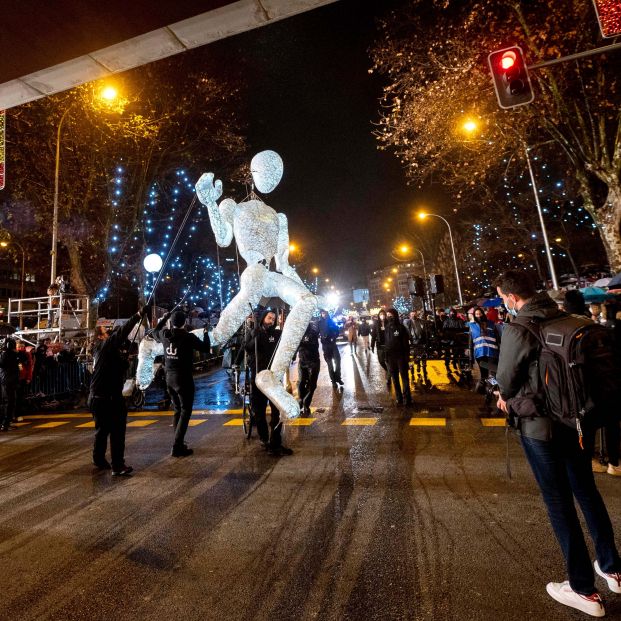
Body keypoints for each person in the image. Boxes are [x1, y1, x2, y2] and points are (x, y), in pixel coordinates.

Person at [494, 269, 621, 617]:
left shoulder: (519, 327)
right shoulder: (570, 318)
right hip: (578, 422)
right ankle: (612, 568)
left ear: (510, 297)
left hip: (541, 428)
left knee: (558, 502)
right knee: (586, 491)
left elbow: (506, 380)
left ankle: (582, 589)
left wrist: (502, 395)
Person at [89, 306, 148, 475]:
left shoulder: (103, 351)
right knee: (116, 431)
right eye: (106, 330)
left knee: (102, 431)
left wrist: (123, 362)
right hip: (108, 398)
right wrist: (137, 315)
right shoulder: (106, 346)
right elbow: (122, 331)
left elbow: (114, 369)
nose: (109, 332)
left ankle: (99, 459)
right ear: (100, 336)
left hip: (100, 396)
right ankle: (117, 465)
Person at [154, 309, 211, 457]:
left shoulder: (165, 335)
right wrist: (206, 333)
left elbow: (155, 330)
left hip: (169, 377)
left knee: (178, 409)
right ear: (184, 322)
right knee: (186, 410)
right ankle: (177, 445)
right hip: (183, 378)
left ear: (171, 323)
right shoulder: (188, 337)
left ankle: (178, 441)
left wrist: (164, 318)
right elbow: (205, 348)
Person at [245, 310, 292, 455]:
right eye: (269, 317)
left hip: (274, 378)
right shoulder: (253, 333)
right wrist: (255, 334)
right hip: (258, 378)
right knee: (259, 411)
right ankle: (264, 439)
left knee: (277, 411)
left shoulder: (277, 334)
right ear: (263, 317)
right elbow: (247, 348)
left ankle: (275, 442)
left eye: (273, 318)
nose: (271, 320)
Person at [468, 306, 500, 393]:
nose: (478, 316)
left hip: (492, 353)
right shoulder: (472, 326)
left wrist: (501, 352)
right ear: (474, 315)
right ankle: (484, 390)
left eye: (480, 313)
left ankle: (492, 389)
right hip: (480, 354)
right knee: (484, 374)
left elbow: (498, 339)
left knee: (493, 374)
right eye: (476, 314)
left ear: (483, 314)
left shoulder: (491, 324)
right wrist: (471, 358)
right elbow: (470, 344)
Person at [384, 308, 412, 406]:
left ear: (395, 315)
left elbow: (405, 344)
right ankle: (399, 397)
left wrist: (407, 357)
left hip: (400, 356)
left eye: (390, 315)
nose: (388, 317)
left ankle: (407, 398)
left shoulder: (401, 328)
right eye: (387, 315)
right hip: (391, 357)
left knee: (404, 377)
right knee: (394, 379)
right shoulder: (387, 328)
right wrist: (386, 356)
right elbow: (386, 342)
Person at [297, 321, 320, 415]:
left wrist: (302, 343)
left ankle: (306, 404)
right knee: (301, 383)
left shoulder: (313, 332)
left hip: (313, 362)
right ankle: (301, 400)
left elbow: (313, 344)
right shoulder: (298, 333)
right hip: (302, 361)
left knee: (312, 385)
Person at [318, 309, 343, 387]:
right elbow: (316, 333)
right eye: (322, 313)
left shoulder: (331, 321)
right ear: (321, 314)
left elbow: (337, 330)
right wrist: (322, 337)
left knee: (338, 360)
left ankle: (338, 378)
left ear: (327, 313)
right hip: (325, 346)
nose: (324, 314)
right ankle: (333, 381)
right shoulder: (319, 323)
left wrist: (334, 337)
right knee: (330, 364)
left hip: (333, 345)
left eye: (325, 313)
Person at [0, 338, 19, 431]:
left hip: (8, 381)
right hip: (8, 381)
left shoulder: (7, 354)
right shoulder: (8, 354)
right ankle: (5, 424)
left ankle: (6, 423)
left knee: (7, 402)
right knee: (9, 402)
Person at [371, 310, 390, 387]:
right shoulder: (376, 323)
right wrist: (372, 345)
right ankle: (387, 370)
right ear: (378, 315)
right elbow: (373, 335)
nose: (382, 315)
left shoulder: (388, 322)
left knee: (388, 362)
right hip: (379, 345)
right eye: (380, 314)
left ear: (385, 315)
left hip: (388, 345)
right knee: (381, 361)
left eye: (383, 314)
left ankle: (388, 378)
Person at [15, 340, 33, 420]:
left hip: (22, 378)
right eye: (19, 346)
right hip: (14, 378)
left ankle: (18, 414)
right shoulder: (14, 354)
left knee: (20, 397)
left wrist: (29, 377)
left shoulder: (27, 355)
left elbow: (29, 367)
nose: (20, 348)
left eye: (22, 346)